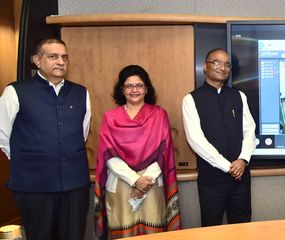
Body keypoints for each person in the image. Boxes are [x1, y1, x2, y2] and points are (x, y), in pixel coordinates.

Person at [0, 38, 91, 240]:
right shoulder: (15, 91)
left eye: (64, 57)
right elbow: (3, 134)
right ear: (37, 60)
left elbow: (81, 133)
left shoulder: (80, 93)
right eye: (53, 56)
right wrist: (30, 160)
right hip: (34, 186)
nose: (61, 62)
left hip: (74, 185)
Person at [94, 65, 181, 239]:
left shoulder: (159, 115)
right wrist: (135, 180)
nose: (134, 90)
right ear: (122, 90)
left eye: (139, 85)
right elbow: (108, 155)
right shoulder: (110, 117)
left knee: (153, 233)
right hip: (120, 183)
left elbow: (163, 153)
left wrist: (144, 182)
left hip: (152, 183)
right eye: (129, 86)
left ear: (146, 88)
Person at [182, 48, 257, 227]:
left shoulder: (239, 96)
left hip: (241, 178)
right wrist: (228, 167)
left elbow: (250, 131)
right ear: (205, 67)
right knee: (211, 230)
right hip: (212, 180)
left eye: (227, 64)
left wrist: (242, 160)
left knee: (242, 229)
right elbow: (196, 139)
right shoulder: (191, 99)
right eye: (216, 62)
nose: (222, 68)